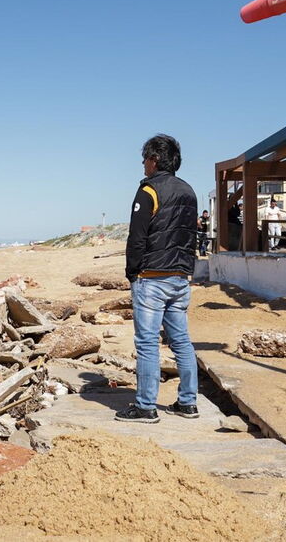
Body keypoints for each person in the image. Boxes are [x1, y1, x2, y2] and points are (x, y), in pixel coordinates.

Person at [117, 134, 199, 424]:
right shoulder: (189, 191)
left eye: (144, 159)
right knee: (181, 341)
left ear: (154, 160)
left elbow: (137, 237)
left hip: (151, 277)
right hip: (180, 276)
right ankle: (188, 403)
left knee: (148, 343)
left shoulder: (149, 191)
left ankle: (145, 407)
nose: (142, 164)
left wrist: (132, 272)